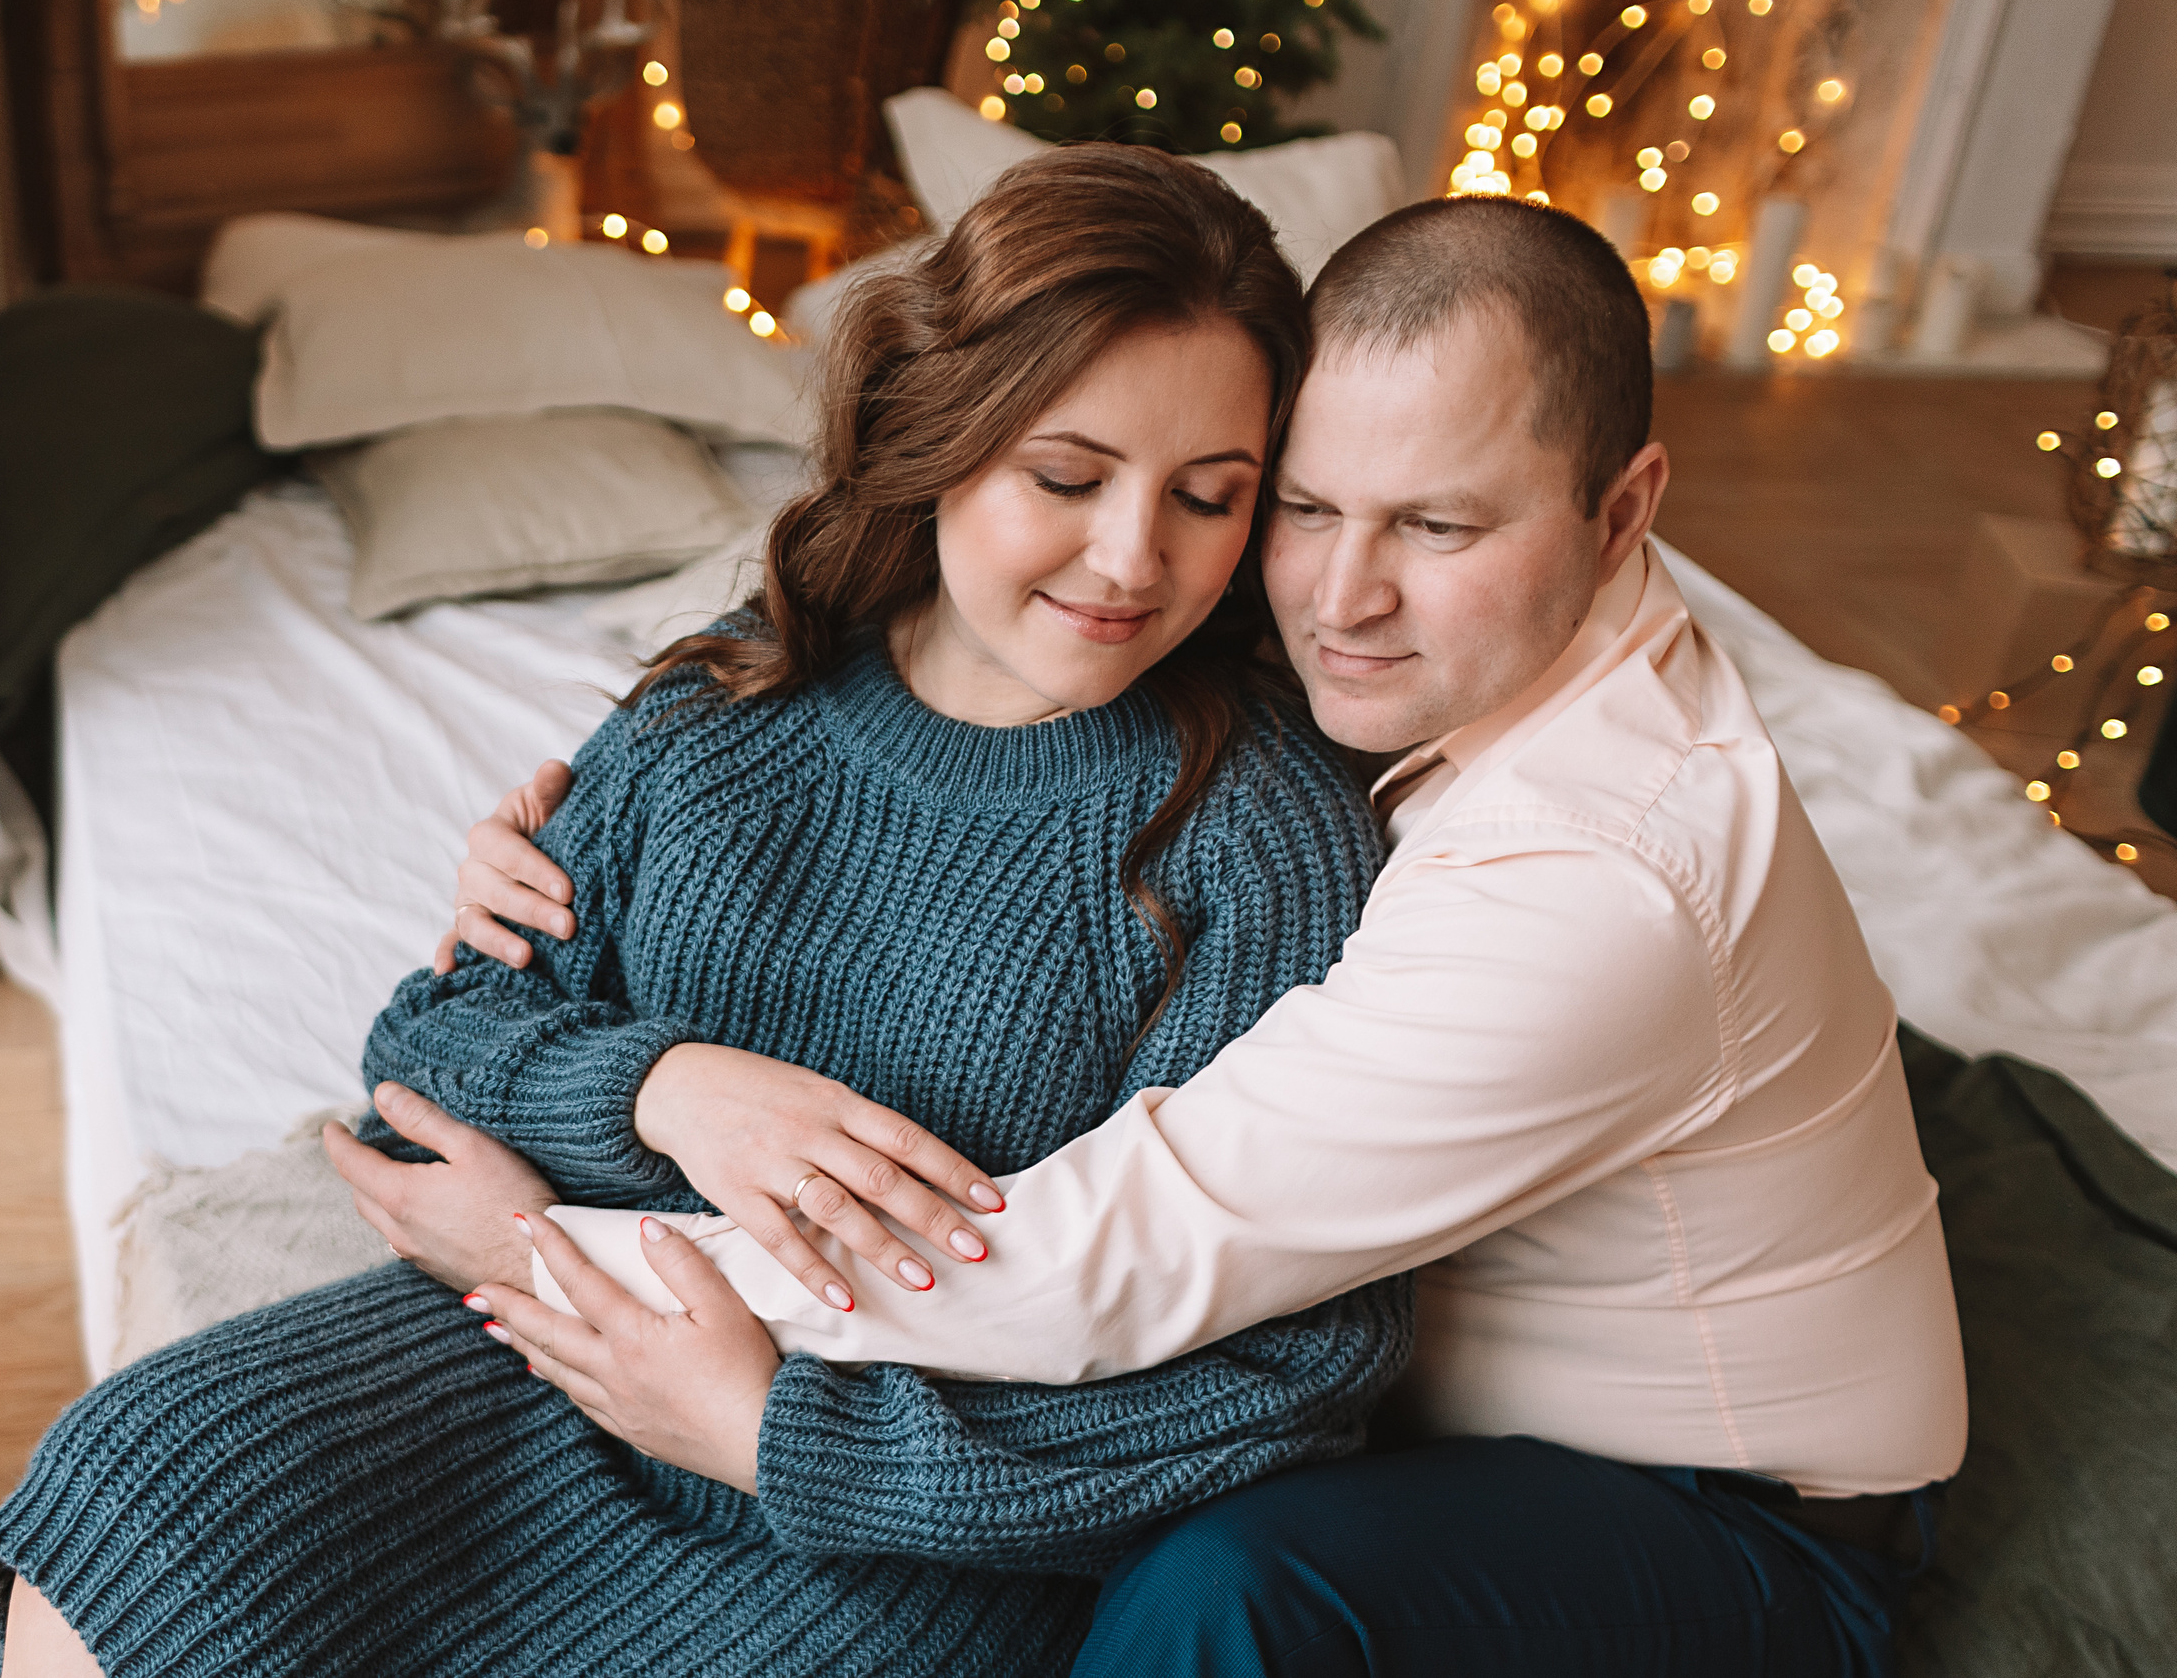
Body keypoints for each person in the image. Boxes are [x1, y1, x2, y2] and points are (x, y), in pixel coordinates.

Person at [416, 196, 1969, 1677]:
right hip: (1466, 1382)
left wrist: (547, 1258)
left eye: (1437, 525)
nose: (1344, 600)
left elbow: (1099, 1261)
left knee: (1229, 1599)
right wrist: (587, 916)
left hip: (1713, 1513)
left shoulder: (1596, 880)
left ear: (1623, 510)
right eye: (1298, 506)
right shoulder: (1331, 649)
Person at [0, 143, 1413, 1678]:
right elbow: (427, 1060)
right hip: (536, 1356)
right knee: (135, 1476)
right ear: (938, 438)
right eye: (1066, 478)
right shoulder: (735, 696)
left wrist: (786, 1437)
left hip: (888, 1513)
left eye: (1212, 498)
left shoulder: (1260, 841)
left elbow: (1302, 1370)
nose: (1135, 559)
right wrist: (669, 1094)